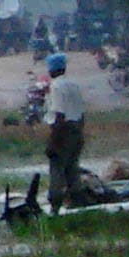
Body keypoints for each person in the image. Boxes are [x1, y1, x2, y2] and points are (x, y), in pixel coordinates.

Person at [43, 53, 87, 214]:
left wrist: (53, 140)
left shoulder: (56, 86)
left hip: (63, 130)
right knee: (72, 168)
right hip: (77, 130)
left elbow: (59, 115)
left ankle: (55, 206)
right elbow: (81, 114)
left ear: (51, 70)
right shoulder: (74, 85)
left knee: (57, 168)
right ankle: (78, 204)